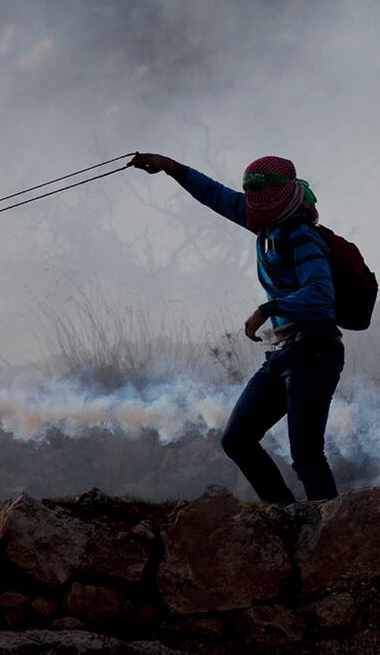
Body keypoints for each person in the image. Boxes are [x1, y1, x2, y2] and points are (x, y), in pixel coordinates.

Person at [129, 152, 343, 503]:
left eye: (260, 201)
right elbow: (215, 195)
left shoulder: (301, 236)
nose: (251, 208)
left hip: (314, 352)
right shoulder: (267, 223)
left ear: (284, 196)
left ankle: (333, 533)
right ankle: (286, 517)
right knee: (237, 440)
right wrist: (171, 168)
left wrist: (269, 308)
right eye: (251, 199)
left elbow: (321, 294)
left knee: (306, 457)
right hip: (283, 352)